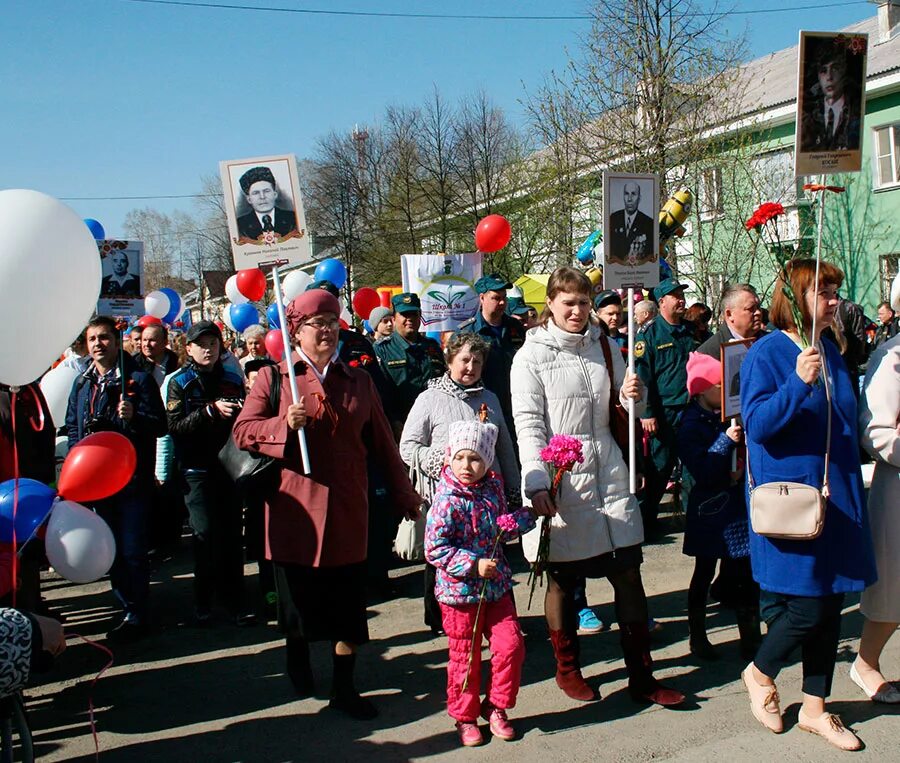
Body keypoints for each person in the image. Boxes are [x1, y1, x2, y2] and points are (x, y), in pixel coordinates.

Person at [232, 288, 421, 720]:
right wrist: (284, 422)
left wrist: (403, 494)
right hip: (293, 513)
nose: (328, 332)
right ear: (296, 330)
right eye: (319, 324)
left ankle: (344, 686)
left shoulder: (358, 380)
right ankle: (297, 658)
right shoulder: (275, 378)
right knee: (299, 609)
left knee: (348, 609)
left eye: (334, 324)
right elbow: (244, 431)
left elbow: (384, 445)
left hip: (346, 511)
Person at [511, 266, 683, 707]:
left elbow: (624, 407)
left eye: (584, 303)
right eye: (568, 303)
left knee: (628, 571)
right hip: (561, 476)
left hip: (609, 468)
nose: (577, 311)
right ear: (549, 304)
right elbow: (528, 425)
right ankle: (568, 668)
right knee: (564, 581)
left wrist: (633, 394)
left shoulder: (606, 345)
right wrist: (536, 481)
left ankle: (642, 676)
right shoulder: (529, 357)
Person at [739, 259, 876, 750]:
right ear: (796, 297)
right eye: (823, 291)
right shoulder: (770, 353)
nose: (834, 299)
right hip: (794, 502)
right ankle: (759, 671)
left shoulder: (833, 352)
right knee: (806, 607)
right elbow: (756, 426)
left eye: (836, 290)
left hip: (836, 497)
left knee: (833, 600)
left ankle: (816, 707)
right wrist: (797, 383)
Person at [400, 334, 520, 635]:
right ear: (450, 360)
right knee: (445, 558)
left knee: (492, 557)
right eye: (464, 360)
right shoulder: (430, 398)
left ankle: (496, 616)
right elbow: (408, 446)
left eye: (476, 362)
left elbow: (504, 447)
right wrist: (443, 458)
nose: (470, 367)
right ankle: (443, 621)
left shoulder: (489, 399)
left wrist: (514, 491)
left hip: (487, 499)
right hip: (447, 499)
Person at [425, 420, 535, 747]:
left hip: (496, 587)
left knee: (510, 644)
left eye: (475, 459)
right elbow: (435, 548)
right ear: (449, 458)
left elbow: (503, 528)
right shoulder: (446, 499)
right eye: (459, 458)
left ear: (487, 461)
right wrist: (472, 564)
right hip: (459, 594)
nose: (467, 466)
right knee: (465, 656)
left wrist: (529, 516)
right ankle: (465, 716)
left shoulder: (493, 489)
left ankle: (497, 705)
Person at [66, 316, 166, 641]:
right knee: (112, 551)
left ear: (116, 340)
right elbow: (73, 427)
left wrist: (135, 417)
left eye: (105, 337)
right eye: (93, 338)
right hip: (97, 483)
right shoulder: (83, 382)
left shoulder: (137, 379)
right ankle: (126, 607)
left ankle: (138, 614)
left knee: (133, 549)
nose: (98, 344)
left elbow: (160, 425)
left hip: (131, 480)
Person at [166, 321, 253, 627]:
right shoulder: (180, 382)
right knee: (203, 536)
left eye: (213, 344)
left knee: (231, 537)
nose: (208, 349)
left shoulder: (231, 378)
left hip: (229, 468)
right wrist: (208, 412)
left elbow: (245, 422)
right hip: (196, 471)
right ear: (188, 348)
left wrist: (243, 408)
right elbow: (174, 427)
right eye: (201, 344)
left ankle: (236, 602)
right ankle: (203, 602)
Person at [677, 353, 759, 662]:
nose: (726, 390)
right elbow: (703, 469)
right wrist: (725, 441)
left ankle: (750, 639)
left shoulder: (726, 415)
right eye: (719, 384)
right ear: (702, 389)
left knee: (743, 573)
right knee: (703, 571)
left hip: (735, 506)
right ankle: (698, 636)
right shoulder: (690, 424)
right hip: (709, 510)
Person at [851, 280, 900, 704]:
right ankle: (866, 662)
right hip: (898, 485)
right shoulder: (892, 357)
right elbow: (876, 432)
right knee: (892, 593)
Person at [635, 278, 694, 535]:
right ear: (661, 302)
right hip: (664, 413)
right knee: (659, 469)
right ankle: (646, 522)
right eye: (675, 295)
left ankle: (695, 521)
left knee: (694, 469)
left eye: (682, 294)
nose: (681, 299)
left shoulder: (692, 331)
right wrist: (647, 413)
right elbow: (642, 376)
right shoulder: (649, 335)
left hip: (692, 409)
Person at [0, 383, 55, 611]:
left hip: (25, 490)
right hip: (9, 493)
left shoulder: (26, 388)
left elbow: (46, 432)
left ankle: (31, 612)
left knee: (27, 554)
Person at [456, 274, 526, 447]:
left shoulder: (515, 328)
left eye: (504, 298)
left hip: (515, 407)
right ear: (482, 298)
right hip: (483, 409)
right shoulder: (467, 332)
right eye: (496, 298)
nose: (502, 303)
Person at [374, 293, 446, 430]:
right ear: (394, 318)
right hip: (399, 426)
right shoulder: (382, 349)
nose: (410, 319)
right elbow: (380, 394)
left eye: (414, 314)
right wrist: (394, 422)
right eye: (405, 315)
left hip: (433, 423)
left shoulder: (432, 347)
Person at [800, 41, 861, 153]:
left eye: (835, 68)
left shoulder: (855, 112)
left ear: (844, 70)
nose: (829, 77)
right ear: (818, 76)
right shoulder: (809, 119)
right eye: (823, 71)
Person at [697, 284, 765, 361]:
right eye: (751, 308)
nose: (758, 312)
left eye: (758, 307)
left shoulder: (770, 342)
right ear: (729, 314)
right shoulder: (708, 354)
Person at [235, 166, 298, 241]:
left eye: (266, 191)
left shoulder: (293, 219)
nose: (262, 197)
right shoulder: (239, 225)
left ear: (275, 194)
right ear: (249, 199)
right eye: (256, 193)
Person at [608, 182, 655, 264]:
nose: (629, 199)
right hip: (616, 273)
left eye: (633, 194)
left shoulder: (648, 223)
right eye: (626, 194)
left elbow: (650, 253)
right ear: (623, 197)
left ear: (639, 198)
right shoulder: (613, 219)